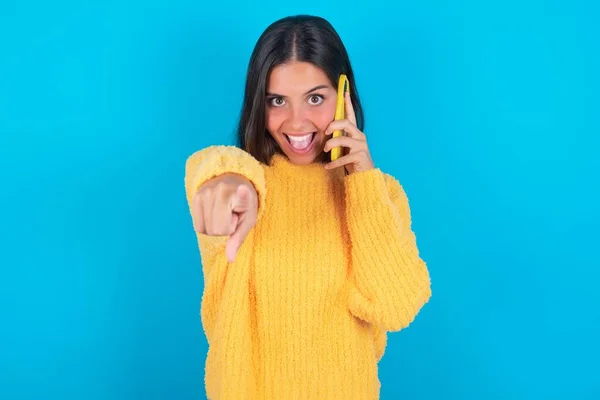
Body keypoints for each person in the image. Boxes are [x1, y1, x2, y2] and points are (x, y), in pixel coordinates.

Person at [183, 14, 432, 400]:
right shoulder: (247, 187)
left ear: (344, 96)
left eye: (315, 98)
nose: (296, 123)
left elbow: (396, 307)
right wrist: (224, 178)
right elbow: (214, 167)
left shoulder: (380, 195)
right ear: (257, 104)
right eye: (277, 101)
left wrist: (361, 180)